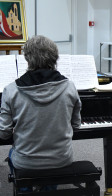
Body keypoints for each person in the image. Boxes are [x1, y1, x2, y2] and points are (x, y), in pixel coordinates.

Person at [0, 35, 81, 191]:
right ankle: (48, 190)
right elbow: (76, 126)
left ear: (27, 58)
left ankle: (25, 190)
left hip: (26, 162)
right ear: (55, 58)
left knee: (12, 153)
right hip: (61, 159)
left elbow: (3, 133)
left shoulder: (11, 90)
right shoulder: (70, 87)